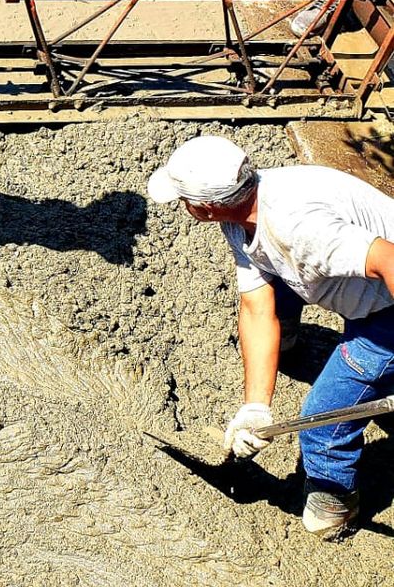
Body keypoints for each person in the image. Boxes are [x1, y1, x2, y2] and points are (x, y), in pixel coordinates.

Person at [148, 134, 394, 539]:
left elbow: (388, 258)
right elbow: (257, 308)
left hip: (385, 312)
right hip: (357, 280)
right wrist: (255, 407)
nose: (183, 208)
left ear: (206, 208)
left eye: (184, 201)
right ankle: (290, 345)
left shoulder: (300, 227)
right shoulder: (244, 212)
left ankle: (335, 507)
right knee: (276, 286)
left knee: (320, 419)